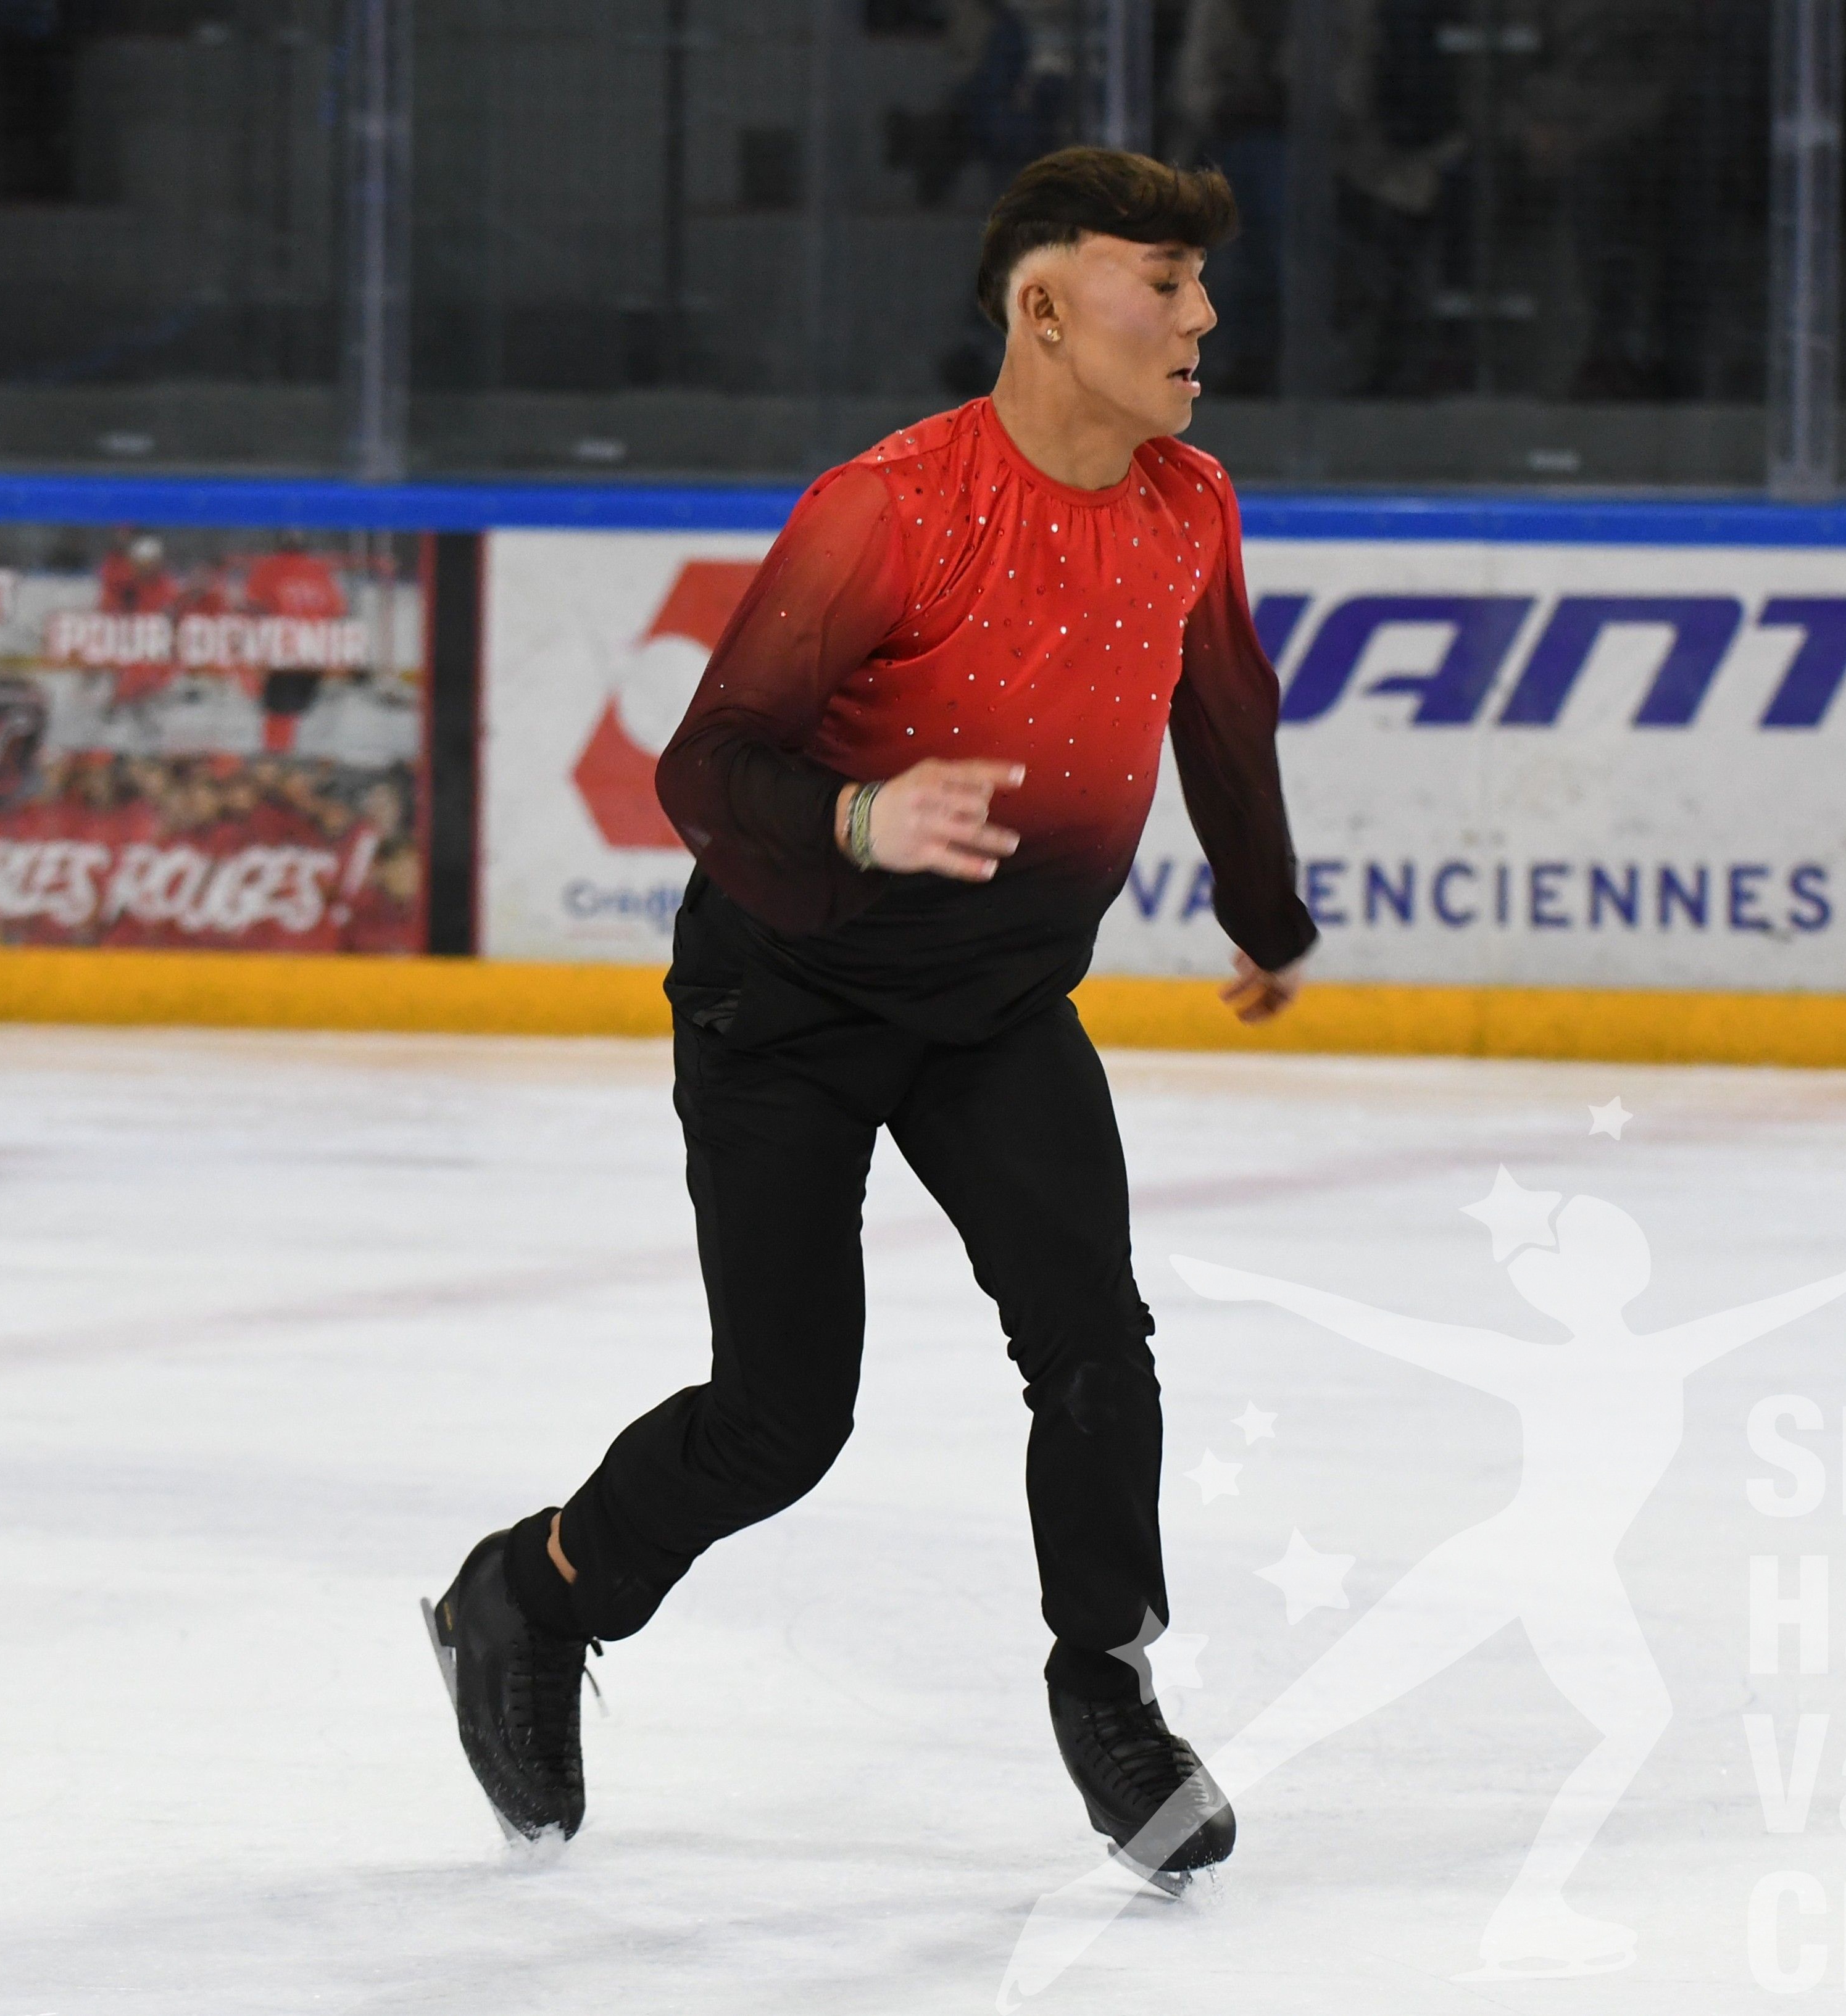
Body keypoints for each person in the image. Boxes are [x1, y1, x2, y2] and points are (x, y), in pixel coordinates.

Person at [425, 147, 1318, 1888]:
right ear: (1044, 307)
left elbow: (1224, 714)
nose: (1203, 315)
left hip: (997, 1008)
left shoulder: (1189, 505)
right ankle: (527, 1594)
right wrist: (858, 816)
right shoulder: (891, 509)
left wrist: (1265, 914)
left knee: (1094, 1345)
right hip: (787, 997)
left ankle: (1108, 1689)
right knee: (781, 1420)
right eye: (1163, 280)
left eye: (1202, 282)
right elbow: (704, 767)